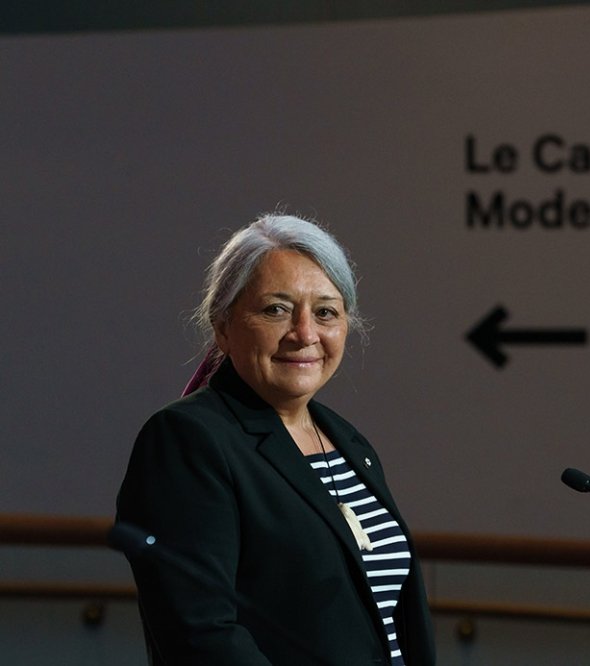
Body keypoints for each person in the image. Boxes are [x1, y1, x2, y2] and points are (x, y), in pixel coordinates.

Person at [116, 213, 435, 665]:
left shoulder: (350, 443)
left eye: (326, 312)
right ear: (223, 325)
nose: (305, 334)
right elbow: (201, 636)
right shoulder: (188, 441)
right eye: (276, 310)